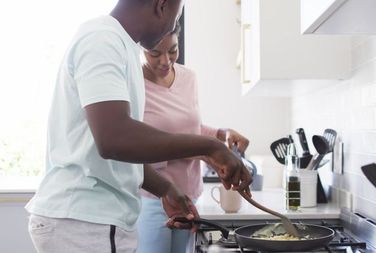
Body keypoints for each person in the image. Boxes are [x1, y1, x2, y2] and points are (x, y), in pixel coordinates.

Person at [25, 0, 252, 252]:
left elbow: (113, 150)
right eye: (176, 18)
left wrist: (164, 187)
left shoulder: (120, 45)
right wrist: (210, 147)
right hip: (85, 221)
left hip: (90, 220)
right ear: (161, 5)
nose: (172, 25)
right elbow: (114, 138)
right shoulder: (102, 40)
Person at [136, 22, 250, 253]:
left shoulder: (188, 78)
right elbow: (134, 143)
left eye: (173, 50)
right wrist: (206, 151)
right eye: (155, 53)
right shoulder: (134, 83)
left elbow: (191, 127)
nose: (166, 61)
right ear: (141, 47)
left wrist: (221, 134)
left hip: (189, 194)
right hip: (153, 196)